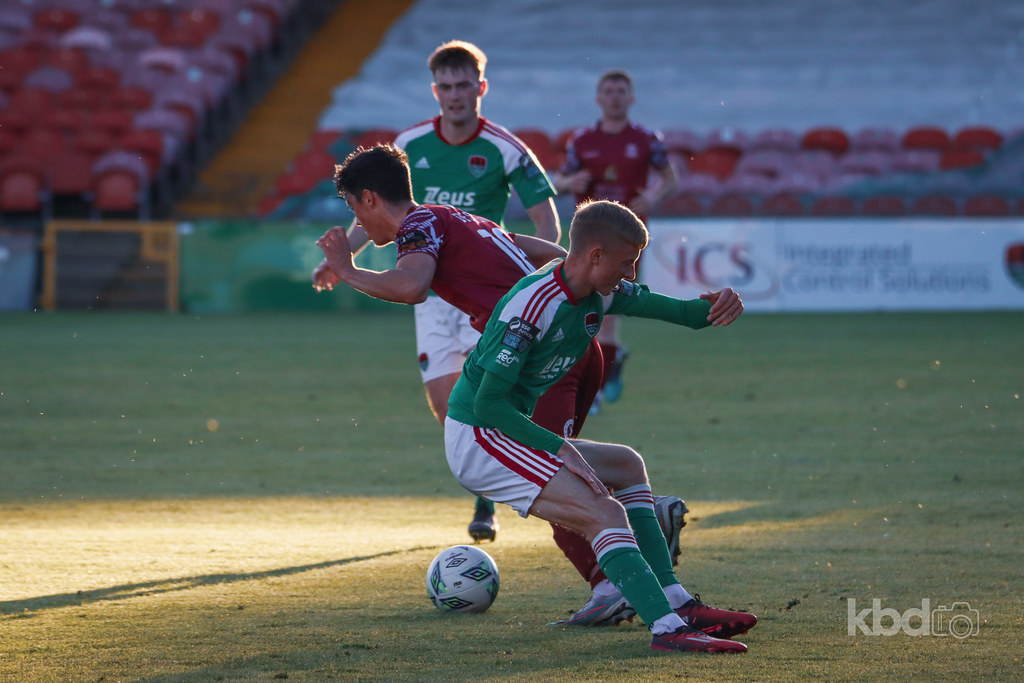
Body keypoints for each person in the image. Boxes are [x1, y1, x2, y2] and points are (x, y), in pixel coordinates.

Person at [314, 145, 718, 633]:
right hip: (569, 343)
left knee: (563, 480)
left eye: (356, 210)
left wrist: (347, 268)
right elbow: (534, 249)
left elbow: (410, 287)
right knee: (575, 471)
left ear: (370, 198)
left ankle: (619, 585)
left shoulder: (418, 227)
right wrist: (568, 283)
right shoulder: (452, 217)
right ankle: (641, 561)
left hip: (538, 358)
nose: (361, 226)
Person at [442, 198, 755, 653]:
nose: (631, 274)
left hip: (505, 430)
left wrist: (719, 304)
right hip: (479, 437)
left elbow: (683, 313)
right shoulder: (532, 306)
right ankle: (668, 630)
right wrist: (559, 446)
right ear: (595, 256)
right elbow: (489, 404)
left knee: (627, 465)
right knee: (604, 512)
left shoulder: (601, 289)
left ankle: (675, 602)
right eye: (627, 262)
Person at [314, 40, 560, 542]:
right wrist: (344, 260)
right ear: (435, 91)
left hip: (481, 294)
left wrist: (532, 279)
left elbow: (545, 222)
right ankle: (496, 482)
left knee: (486, 399)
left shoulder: (506, 149)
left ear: (480, 87)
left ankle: (489, 500)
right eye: (445, 87)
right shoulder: (409, 143)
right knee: (448, 410)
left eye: (464, 85)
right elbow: (376, 207)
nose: (454, 95)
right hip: (431, 294)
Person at [552, 68, 679, 412]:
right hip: (588, 238)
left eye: (620, 91)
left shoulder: (646, 139)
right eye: (608, 91)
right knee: (580, 309)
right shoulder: (582, 140)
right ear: (598, 98)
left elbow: (670, 179)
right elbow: (559, 182)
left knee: (605, 313)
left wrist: (652, 197)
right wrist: (569, 181)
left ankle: (591, 390)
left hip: (627, 239)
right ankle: (606, 365)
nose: (614, 97)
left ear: (631, 98)